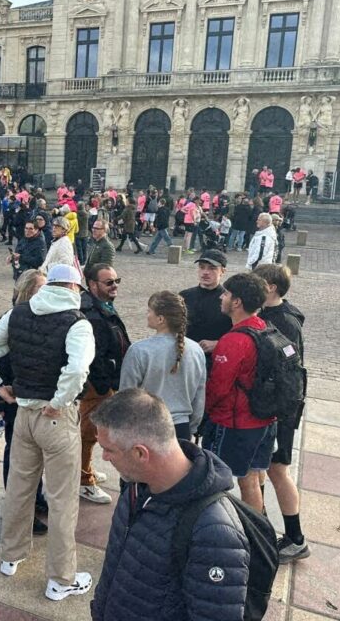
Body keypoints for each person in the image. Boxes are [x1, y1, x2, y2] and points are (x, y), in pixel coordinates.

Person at [0, 263, 96, 602]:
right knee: (62, 500)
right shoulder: (77, 322)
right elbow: (78, 369)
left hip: (24, 412)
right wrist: (60, 400)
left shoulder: (19, 313)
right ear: (74, 288)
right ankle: (61, 578)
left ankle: (10, 557)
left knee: (19, 488)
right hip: (55, 416)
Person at [90, 388, 250, 621]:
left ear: (139, 453)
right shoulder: (136, 489)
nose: (103, 457)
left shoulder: (214, 532)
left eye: (108, 449)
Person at [203, 272, 275, 513]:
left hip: (235, 423)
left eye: (225, 293)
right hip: (263, 419)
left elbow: (218, 388)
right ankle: (257, 534)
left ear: (237, 302)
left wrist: (204, 414)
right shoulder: (263, 327)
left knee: (215, 482)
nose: (221, 297)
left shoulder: (233, 340)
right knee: (250, 480)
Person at [253, 263, 310, 563]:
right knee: (260, 468)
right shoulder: (265, 313)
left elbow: (289, 375)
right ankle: (261, 530)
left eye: (258, 281)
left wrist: (279, 413)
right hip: (268, 409)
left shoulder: (286, 321)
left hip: (279, 412)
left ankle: (295, 538)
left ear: (271, 287)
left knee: (277, 470)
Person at [0, 269, 50, 535]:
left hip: (35, 398)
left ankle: (35, 497)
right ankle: (19, 511)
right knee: (17, 456)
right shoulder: (11, 319)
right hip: (14, 400)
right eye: (41, 289)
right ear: (26, 292)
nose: (47, 294)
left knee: (34, 454)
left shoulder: (43, 316)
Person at [120, 291, 206, 442]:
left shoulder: (140, 350)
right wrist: (192, 427)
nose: (147, 314)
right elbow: (199, 395)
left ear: (160, 319)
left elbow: (126, 395)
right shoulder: (196, 350)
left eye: (149, 311)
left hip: (147, 426)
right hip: (181, 428)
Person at [77, 263, 130, 505]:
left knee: (91, 433)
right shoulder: (93, 314)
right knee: (87, 434)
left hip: (102, 382)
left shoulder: (100, 306)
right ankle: (83, 480)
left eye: (117, 280)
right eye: (109, 282)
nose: (115, 286)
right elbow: (93, 359)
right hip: (95, 386)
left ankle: (84, 469)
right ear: (92, 284)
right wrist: (104, 387)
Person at [180, 249, 233, 371]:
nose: (205, 272)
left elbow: (240, 332)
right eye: (202, 267)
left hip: (216, 362)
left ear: (222, 271)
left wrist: (219, 344)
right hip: (186, 360)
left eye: (212, 268)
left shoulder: (229, 299)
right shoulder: (184, 296)